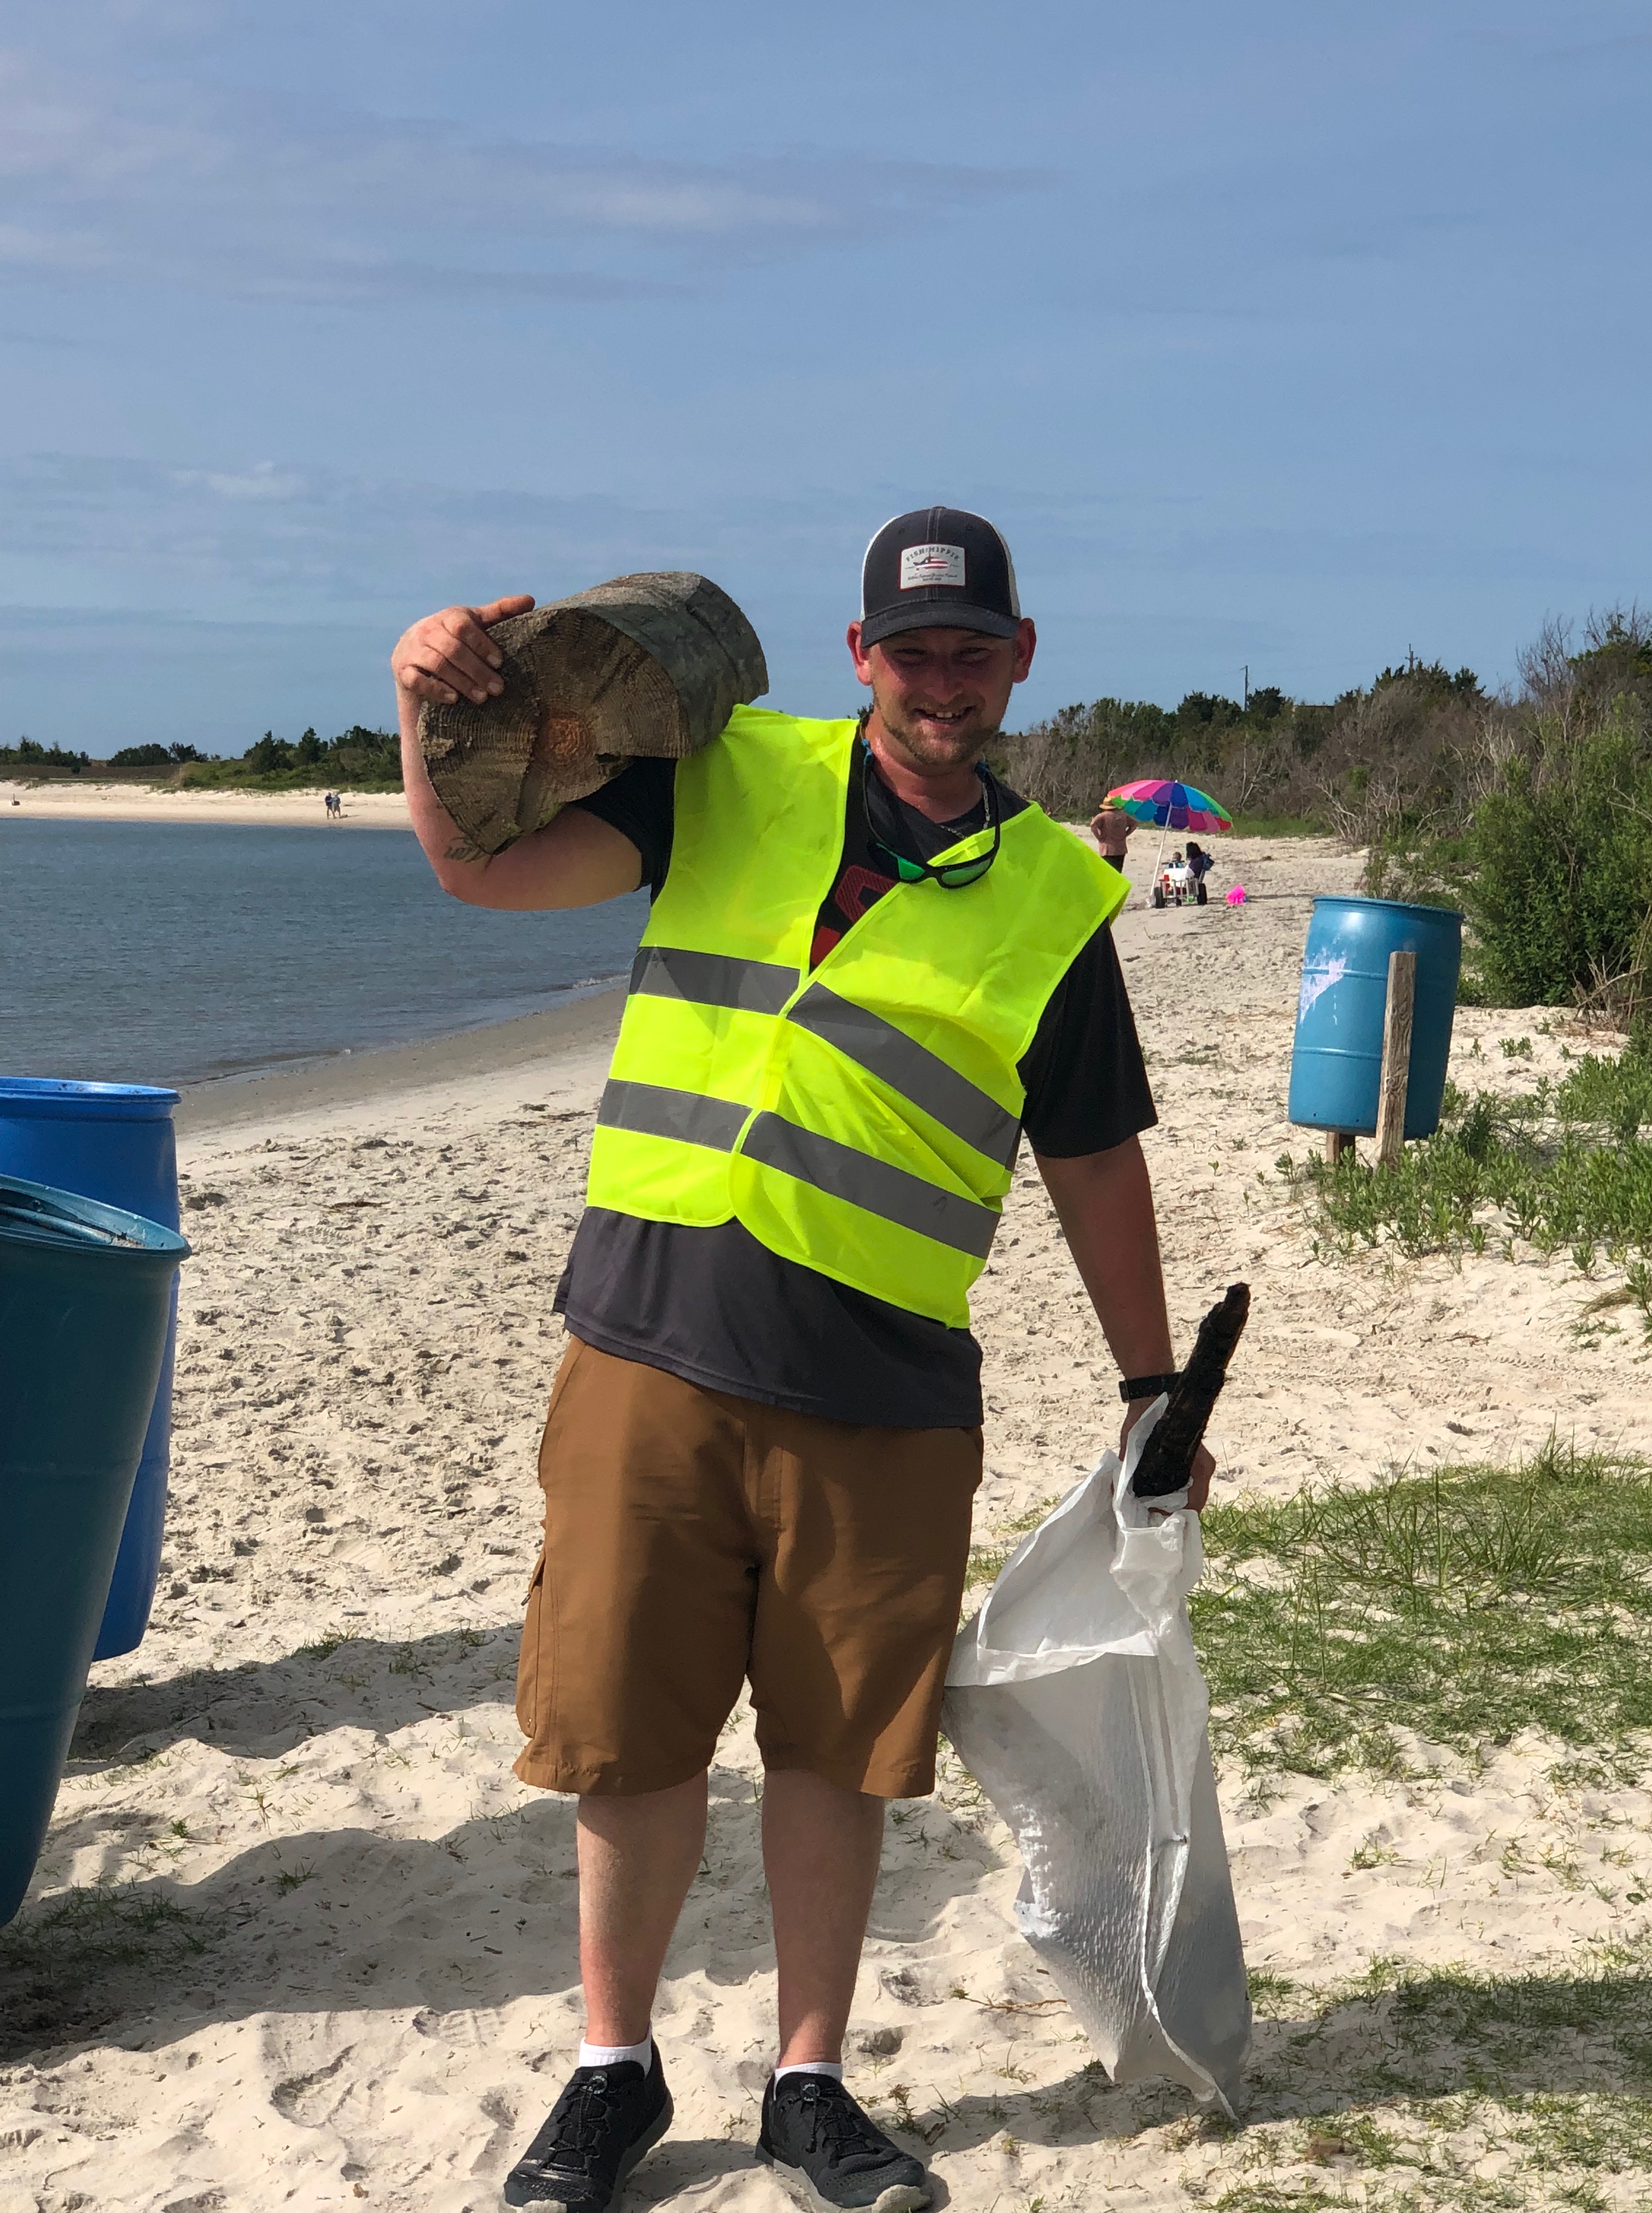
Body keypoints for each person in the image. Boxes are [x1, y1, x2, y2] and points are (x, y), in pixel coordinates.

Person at [390, 508, 1213, 2213]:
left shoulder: (1060, 891)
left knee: (838, 1753)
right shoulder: (729, 775)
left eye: (971, 651)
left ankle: (809, 2082)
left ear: (1021, 659)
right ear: (859, 658)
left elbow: (1093, 1154)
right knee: (626, 1738)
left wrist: (1154, 1389)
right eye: (911, 651)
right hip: (651, 1347)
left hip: (884, 1389)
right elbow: (478, 862)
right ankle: (613, 2072)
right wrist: (428, 705)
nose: (941, 681)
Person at [1089, 801, 1134, 874]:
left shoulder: (1103, 816)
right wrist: (1126, 834)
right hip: (1121, 848)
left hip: (1107, 848)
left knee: (1107, 872)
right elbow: (1134, 824)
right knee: (1118, 872)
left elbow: (1093, 824)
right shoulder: (1123, 816)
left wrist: (1099, 837)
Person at [1184, 838, 1213, 905]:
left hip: (1192, 879)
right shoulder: (1199, 858)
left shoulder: (1196, 862)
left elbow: (1191, 871)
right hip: (1193, 877)